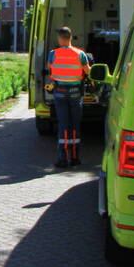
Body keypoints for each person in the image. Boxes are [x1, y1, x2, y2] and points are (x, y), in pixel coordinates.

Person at [45, 26, 91, 168]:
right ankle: (75, 157)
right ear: (71, 37)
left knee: (63, 124)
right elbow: (88, 71)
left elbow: (49, 68)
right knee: (75, 124)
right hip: (76, 93)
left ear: (60, 38)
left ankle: (63, 158)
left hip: (60, 92)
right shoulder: (80, 54)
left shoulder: (53, 53)